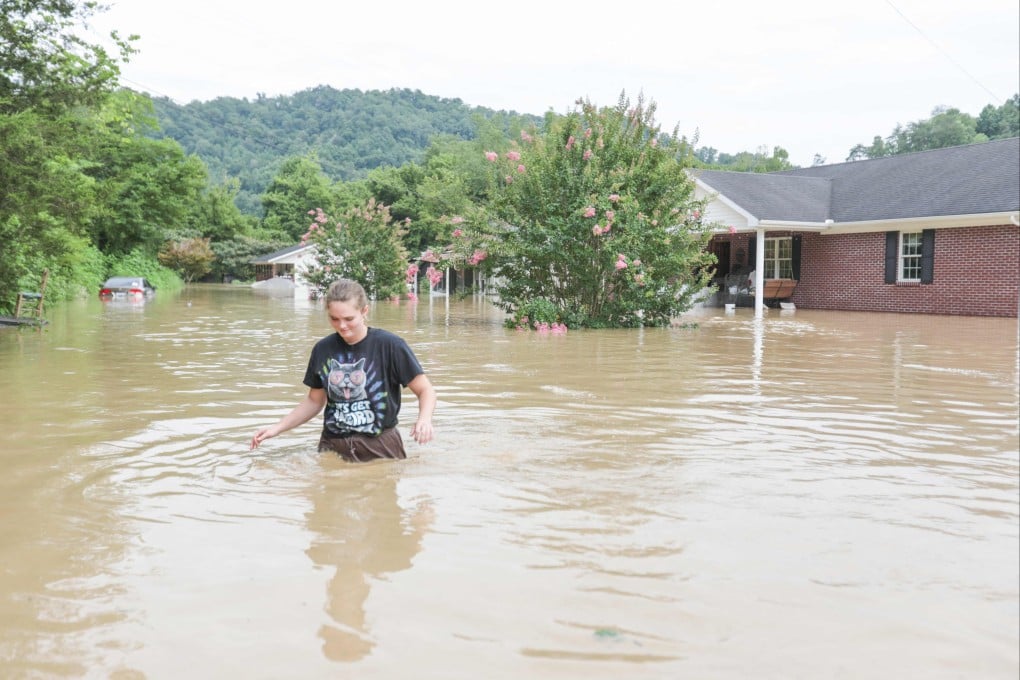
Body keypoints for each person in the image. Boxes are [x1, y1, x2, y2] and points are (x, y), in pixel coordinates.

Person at [250, 278, 436, 461]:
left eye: (349, 319)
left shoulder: (390, 345)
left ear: (364, 311)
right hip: (333, 445)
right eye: (334, 319)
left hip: (380, 445)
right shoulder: (323, 349)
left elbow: (425, 390)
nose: (342, 326)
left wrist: (424, 419)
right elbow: (314, 402)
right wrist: (277, 428)